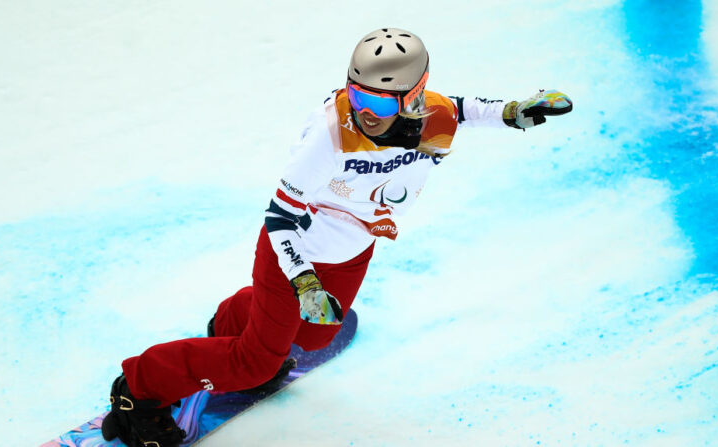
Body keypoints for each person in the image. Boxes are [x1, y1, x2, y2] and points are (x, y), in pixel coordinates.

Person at [101, 27, 573, 447]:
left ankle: (233, 319)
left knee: (316, 333)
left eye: (381, 102)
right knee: (258, 364)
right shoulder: (328, 139)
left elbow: (463, 110)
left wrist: (512, 111)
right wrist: (303, 283)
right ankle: (139, 386)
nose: (365, 112)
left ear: (414, 97)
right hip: (294, 255)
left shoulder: (431, 114)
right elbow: (280, 219)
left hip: (352, 252)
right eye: (358, 95)